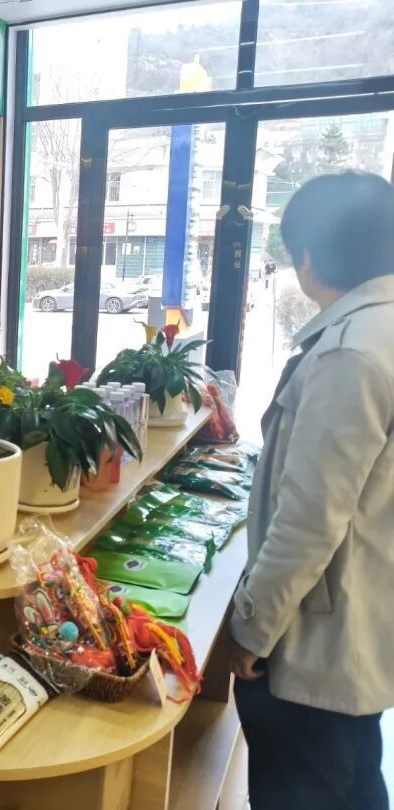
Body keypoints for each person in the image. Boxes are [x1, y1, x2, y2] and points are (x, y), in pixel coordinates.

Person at [228, 172, 394, 810]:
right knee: (355, 782)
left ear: (309, 256)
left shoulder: (349, 353)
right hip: (359, 630)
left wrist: (250, 627)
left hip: (315, 648)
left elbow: (308, 521)